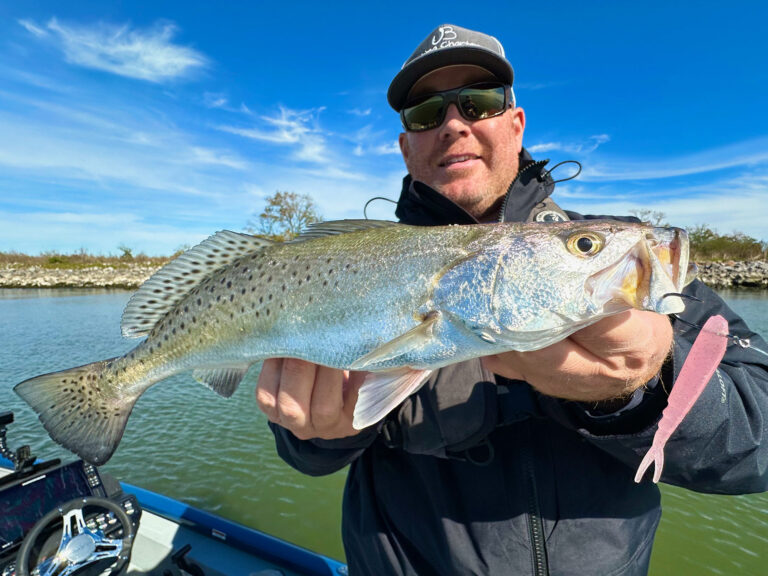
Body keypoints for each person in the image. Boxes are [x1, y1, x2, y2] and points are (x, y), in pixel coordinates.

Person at [256, 24, 768, 576]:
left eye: (478, 103)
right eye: (426, 114)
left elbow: (756, 443)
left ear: (515, 124)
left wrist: (644, 386)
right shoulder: (346, 263)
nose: (453, 124)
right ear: (406, 145)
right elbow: (305, 448)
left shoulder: (627, 263)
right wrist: (315, 435)